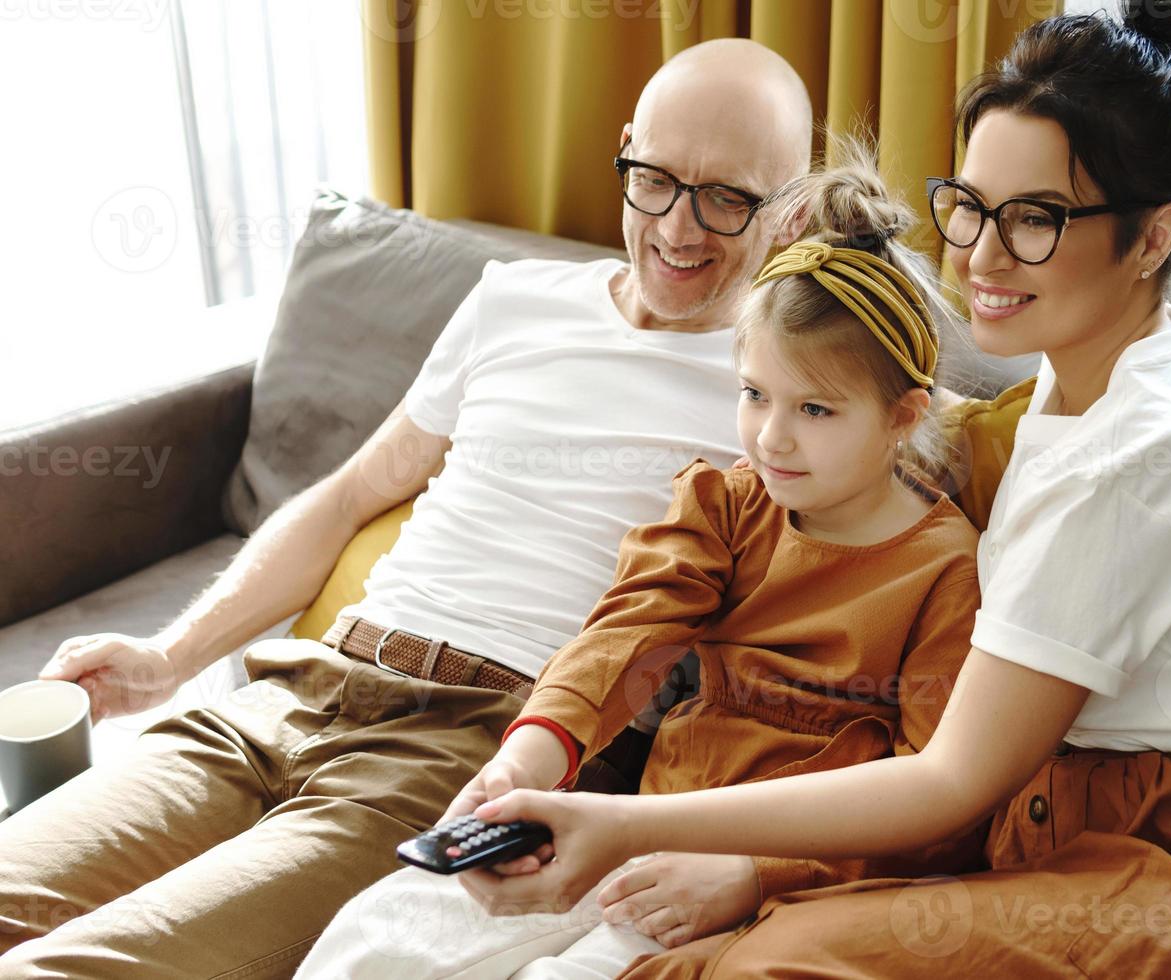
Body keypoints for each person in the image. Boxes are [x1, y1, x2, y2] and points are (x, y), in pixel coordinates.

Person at [453, 6, 1171, 978]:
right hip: (1088, 812)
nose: (979, 254)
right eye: (972, 205)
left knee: (773, 957)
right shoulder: (1100, 371)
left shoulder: (1151, 433)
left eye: (1034, 219)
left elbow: (952, 778)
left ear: (1155, 235)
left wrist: (619, 820)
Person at [0, 38, 813, 979]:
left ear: (790, 212)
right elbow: (352, 493)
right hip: (290, 695)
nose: (679, 228)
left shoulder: (789, 397)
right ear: (624, 152)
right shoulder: (512, 301)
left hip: (468, 751)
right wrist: (170, 657)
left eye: (727, 197)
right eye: (657, 180)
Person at [298, 139, 994, 980]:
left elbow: (935, 803)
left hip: (783, 882)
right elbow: (623, 634)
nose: (771, 437)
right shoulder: (729, 503)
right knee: (373, 939)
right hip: (641, 825)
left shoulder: (947, 570)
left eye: (814, 408)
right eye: (753, 395)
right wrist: (528, 756)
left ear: (902, 415)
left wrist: (752, 873)